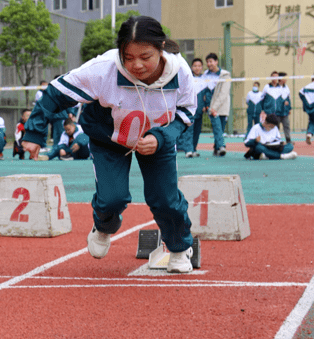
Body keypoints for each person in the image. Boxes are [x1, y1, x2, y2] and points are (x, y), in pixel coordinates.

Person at [21, 16, 197, 274]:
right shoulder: (103, 69)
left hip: (155, 139)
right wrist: (34, 134)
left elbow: (186, 113)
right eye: (128, 57)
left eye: (146, 56)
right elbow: (55, 93)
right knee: (112, 199)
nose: (136, 65)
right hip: (110, 138)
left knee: (165, 199)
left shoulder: (181, 72)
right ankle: (103, 227)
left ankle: (180, 248)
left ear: (161, 49)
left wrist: (161, 138)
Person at [204, 53, 231, 157]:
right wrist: (209, 107)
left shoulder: (225, 75)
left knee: (220, 128)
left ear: (216, 62)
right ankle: (221, 147)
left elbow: (223, 93)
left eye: (211, 61)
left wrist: (215, 107)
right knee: (217, 127)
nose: (209, 64)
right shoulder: (206, 75)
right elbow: (205, 91)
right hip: (211, 107)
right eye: (207, 62)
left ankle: (216, 148)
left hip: (222, 106)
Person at [188, 57, 207, 157]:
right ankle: (188, 150)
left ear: (202, 67)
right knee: (189, 130)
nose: (197, 68)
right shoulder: (188, 78)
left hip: (200, 109)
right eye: (195, 66)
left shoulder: (204, 79)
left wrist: (205, 106)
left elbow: (206, 95)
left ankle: (194, 149)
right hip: (190, 109)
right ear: (191, 67)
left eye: (199, 66)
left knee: (197, 130)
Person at [276, 71, 292, 143]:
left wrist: (289, 108)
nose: (286, 79)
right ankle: (276, 140)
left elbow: (289, 98)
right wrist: (282, 102)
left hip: (285, 111)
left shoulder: (286, 87)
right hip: (277, 111)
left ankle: (288, 140)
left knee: (286, 126)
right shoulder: (275, 87)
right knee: (276, 127)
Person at [299, 77, 314, 145]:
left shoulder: (306, 87)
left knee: (312, 121)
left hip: (310, 108)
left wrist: (307, 103)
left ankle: (309, 134)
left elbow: (300, 93)